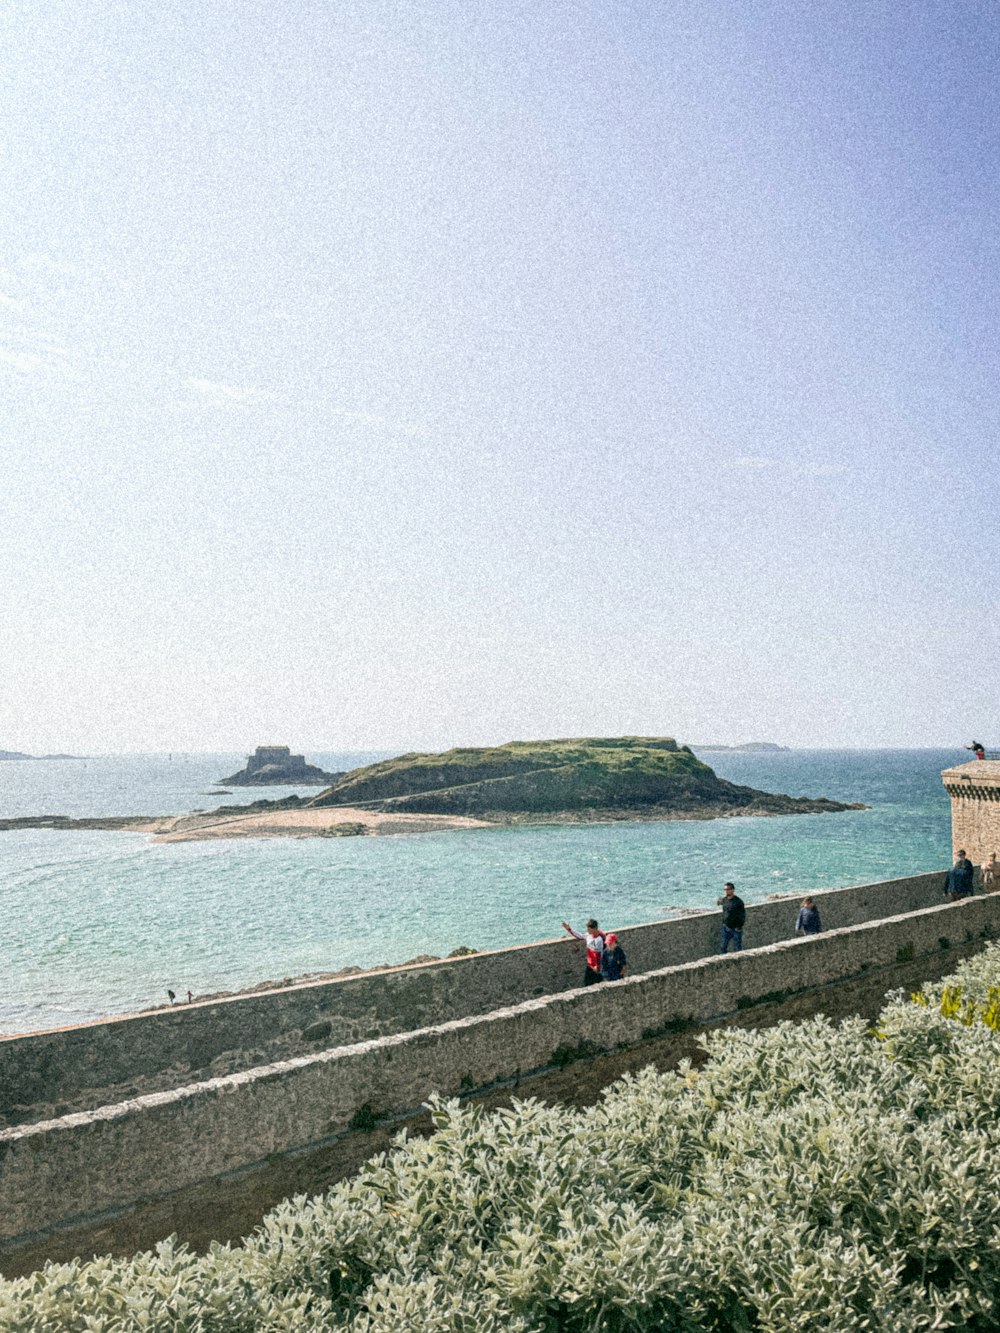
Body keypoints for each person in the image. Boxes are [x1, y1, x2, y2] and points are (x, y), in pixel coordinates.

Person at [561, 918, 605, 984]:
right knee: (587, 984)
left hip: (597, 968)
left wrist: (598, 967)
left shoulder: (599, 939)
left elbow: (599, 954)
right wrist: (569, 929)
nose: (587, 930)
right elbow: (579, 936)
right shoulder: (588, 935)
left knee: (599, 985)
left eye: (589, 929)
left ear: (594, 928)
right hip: (589, 966)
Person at [717, 882, 746, 953]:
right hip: (726, 927)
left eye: (728, 889)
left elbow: (742, 915)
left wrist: (738, 927)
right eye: (725, 889)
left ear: (733, 890)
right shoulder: (724, 900)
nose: (726, 891)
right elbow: (720, 905)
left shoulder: (738, 902)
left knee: (737, 948)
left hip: (736, 929)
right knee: (723, 947)